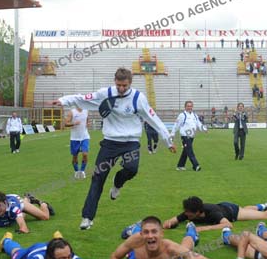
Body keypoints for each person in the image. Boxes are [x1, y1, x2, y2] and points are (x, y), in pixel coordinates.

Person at [52, 68, 176, 230]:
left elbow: (153, 118)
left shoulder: (138, 98)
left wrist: (168, 141)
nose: (121, 88)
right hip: (110, 143)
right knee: (98, 178)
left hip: (131, 142)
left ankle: (117, 184)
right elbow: (83, 98)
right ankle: (87, 217)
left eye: (124, 85)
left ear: (130, 83)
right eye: (119, 85)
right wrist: (63, 101)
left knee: (131, 169)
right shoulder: (106, 93)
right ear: (114, 82)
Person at [112, 216, 217, 259]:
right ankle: (135, 227)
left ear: (162, 233)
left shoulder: (171, 248)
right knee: (131, 254)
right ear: (141, 234)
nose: (150, 236)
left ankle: (191, 232)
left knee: (186, 247)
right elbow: (115, 257)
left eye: (154, 231)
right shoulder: (135, 240)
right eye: (146, 232)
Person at [163, 196, 267, 232]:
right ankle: (262, 205)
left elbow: (228, 225)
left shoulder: (213, 213)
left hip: (233, 212)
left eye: (189, 213)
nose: (186, 215)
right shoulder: (189, 212)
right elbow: (174, 219)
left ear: (197, 212)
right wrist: (169, 223)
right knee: (249, 210)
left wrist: (203, 228)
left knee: (265, 215)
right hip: (224, 205)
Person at [172, 100, 207, 171]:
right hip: (185, 136)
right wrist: (172, 134)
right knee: (190, 151)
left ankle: (180, 165)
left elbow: (198, 123)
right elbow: (176, 125)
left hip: (191, 136)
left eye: (191, 106)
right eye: (188, 106)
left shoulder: (194, 115)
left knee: (186, 151)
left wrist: (204, 129)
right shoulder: (182, 115)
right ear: (185, 107)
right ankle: (196, 166)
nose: (189, 107)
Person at [64, 105, 90, 178]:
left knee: (85, 154)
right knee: (75, 156)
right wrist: (74, 123)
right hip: (74, 138)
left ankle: (82, 171)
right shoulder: (71, 112)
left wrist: (87, 123)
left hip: (85, 137)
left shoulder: (86, 111)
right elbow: (66, 124)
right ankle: (76, 171)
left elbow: (87, 119)